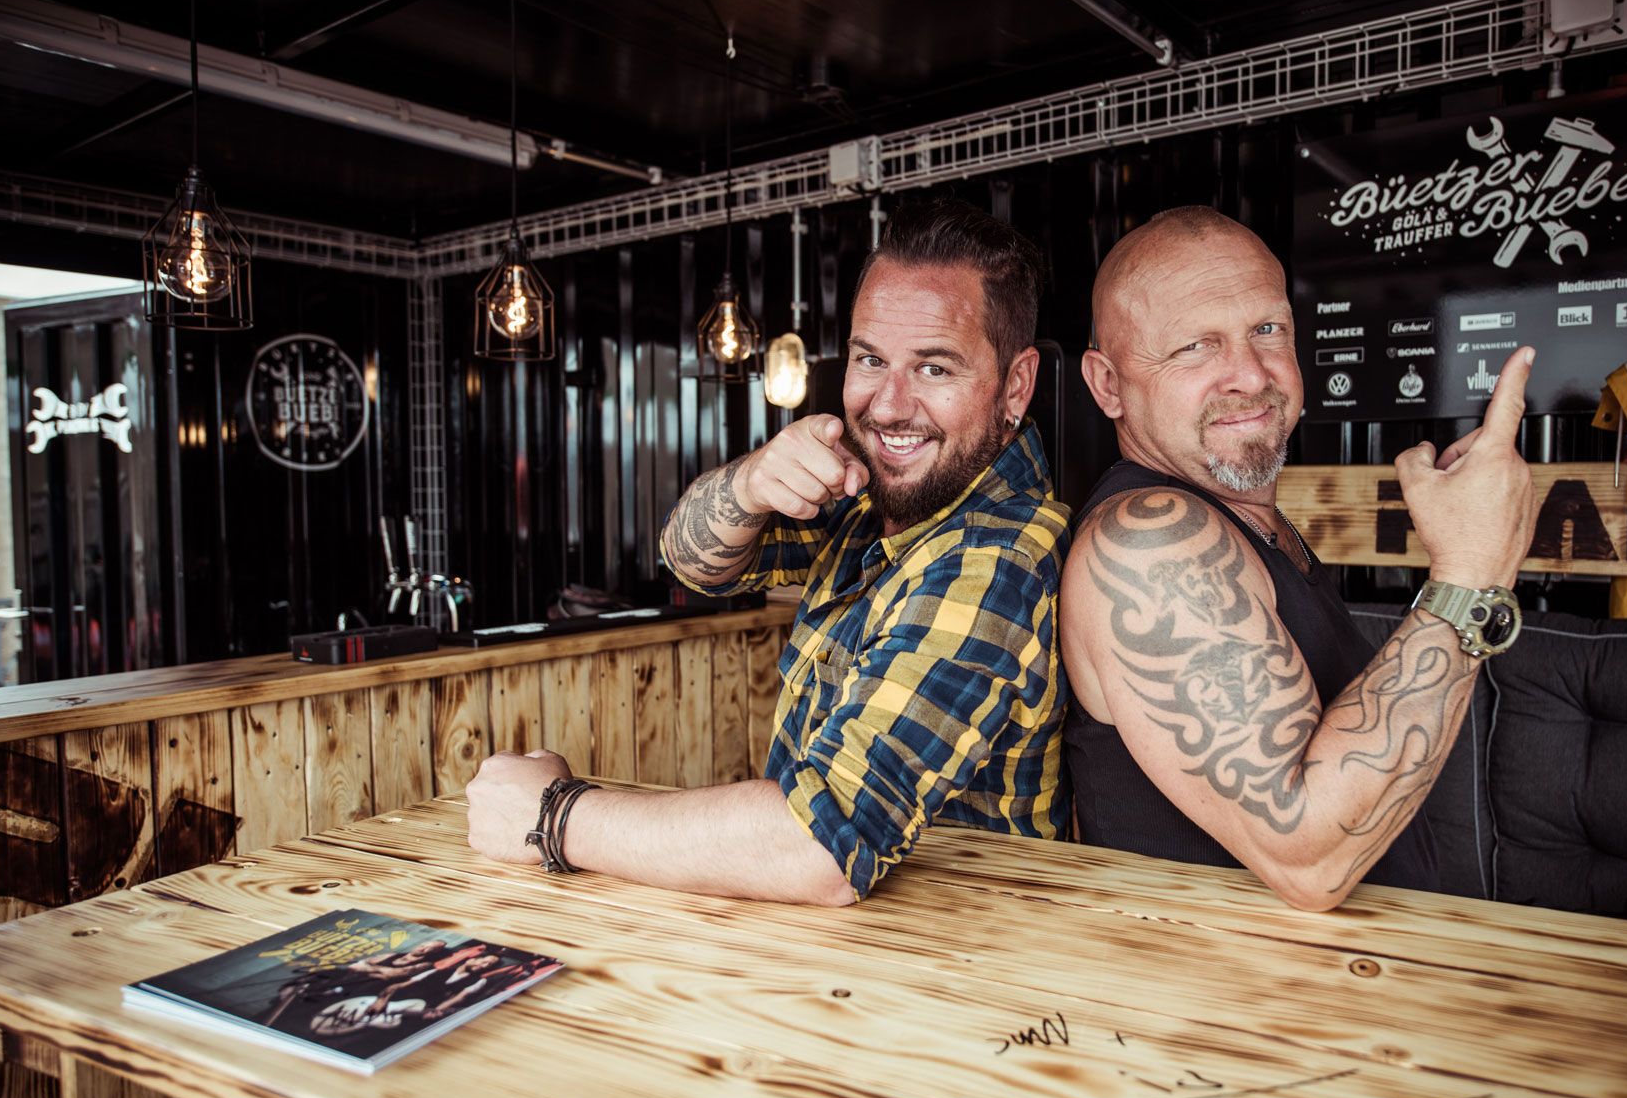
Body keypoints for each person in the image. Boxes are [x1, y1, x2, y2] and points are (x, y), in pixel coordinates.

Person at [466, 199, 1071, 904]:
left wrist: (554, 816)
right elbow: (690, 558)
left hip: (952, 971)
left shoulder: (996, 556)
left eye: (935, 369)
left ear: (1016, 386)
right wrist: (750, 482)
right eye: (871, 359)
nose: (889, 404)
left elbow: (820, 848)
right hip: (834, 952)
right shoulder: (872, 500)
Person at [1060, 206, 1535, 910]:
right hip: (1249, 1012)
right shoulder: (1150, 541)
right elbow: (1308, 854)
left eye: (1267, 329)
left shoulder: (1243, 520)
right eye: (1196, 346)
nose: (1249, 375)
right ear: (1107, 385)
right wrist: (1472, 573)